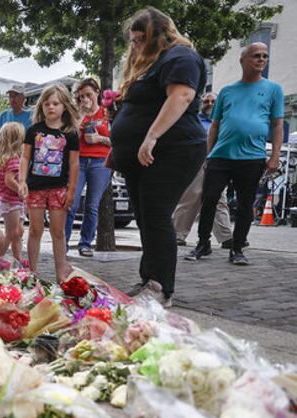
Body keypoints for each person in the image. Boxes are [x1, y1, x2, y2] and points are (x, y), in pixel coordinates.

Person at [109, 6, 207, 307]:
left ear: (159, 35)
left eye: (140, 39)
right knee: (145, 218)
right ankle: (148, 278)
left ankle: (161, 287)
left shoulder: (181, 56)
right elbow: (137, 110)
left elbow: (181, 96)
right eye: (133, 40)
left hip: (173, 149)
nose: (135, 46)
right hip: (143, 156)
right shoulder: (153, 63)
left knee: (155, 214)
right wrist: (119, 148)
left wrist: (151, 136)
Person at [186, 42, 283, 265]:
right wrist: (208, 154)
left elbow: (277, 125)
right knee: (209, 199)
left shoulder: (273, 89)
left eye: (265, 56)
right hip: (221, 155)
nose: (261, 59)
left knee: (245, 204)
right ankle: (203, 244)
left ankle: (237, 248)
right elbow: (215, 126)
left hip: (252, 157)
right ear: (243, 60)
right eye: (256, 56)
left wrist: (275, 156)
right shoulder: (227, 92)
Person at [18, 84, 80, 282]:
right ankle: (33, 272)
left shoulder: (70, 134)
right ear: (41, 107)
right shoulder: (33, 131)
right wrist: (22, 181)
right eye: (46, 103)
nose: (50, 107)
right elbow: (25, 157)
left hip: (59, 189)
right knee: (35, 230)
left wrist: (71, 190)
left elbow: (74, 162)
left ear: (64, 106)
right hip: (35, 187)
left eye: (55, 103)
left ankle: (61, 273)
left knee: (58, 232)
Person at [173, 93, 235, 249]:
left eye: (213, 101)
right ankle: (177, 235)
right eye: (206, 101)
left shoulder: (223, 121)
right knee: (191, 197)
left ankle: (226, 237)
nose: (210, 103)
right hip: (196, 161)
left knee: (219, 200)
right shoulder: (194, 120)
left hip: (218, 162)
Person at [65, 78, 113, 257]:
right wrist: (82, 114)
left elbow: (117, 140)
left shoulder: (107, 113)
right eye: (81, 97)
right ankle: (63, 243)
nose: (85, 99)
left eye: (88, 95)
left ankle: (85, 243)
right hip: (80, 162)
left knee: (91, 205)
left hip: (100, 163)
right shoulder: (77, 115)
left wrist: (100, 139)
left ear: (97, 93)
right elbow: (69, 137)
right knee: (71, 203)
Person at [0, 84, 33, 226]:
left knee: (18, 198)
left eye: (16, 95)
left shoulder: (30, 117)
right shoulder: (4, 115)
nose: (12, 99)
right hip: (2, 160)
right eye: (10, 96)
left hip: (21, 161)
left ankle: (17, 231)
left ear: (24, 98)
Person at [0, 122, 26, 263]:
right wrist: (21, 189)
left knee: (18, 232)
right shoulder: (13, 159)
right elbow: (9, 180)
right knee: (11, 233)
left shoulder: (5, 159)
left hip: (11, 201)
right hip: (11, 201)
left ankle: (18, 258)